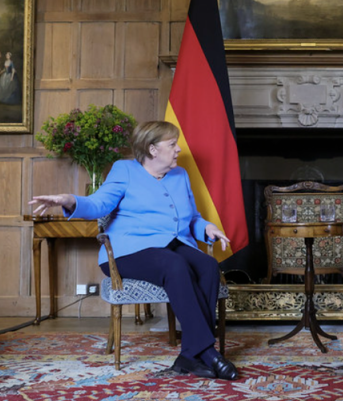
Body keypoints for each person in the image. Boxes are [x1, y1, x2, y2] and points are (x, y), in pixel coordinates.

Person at [29, 120, 238, 381]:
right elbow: (99, 203)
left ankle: (189, 356)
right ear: (152, 149)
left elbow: (192, 216)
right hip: (128, 250)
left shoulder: (179, 175)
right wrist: (70, 201)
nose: (178, 149)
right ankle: (207, 353)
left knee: (208, 266)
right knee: (175, 265)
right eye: (172, 144)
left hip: (172, 244)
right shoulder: (124, 170)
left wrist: (207, 229)